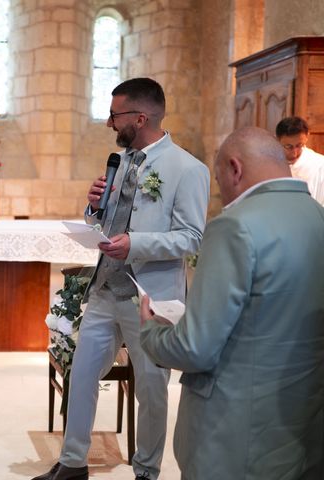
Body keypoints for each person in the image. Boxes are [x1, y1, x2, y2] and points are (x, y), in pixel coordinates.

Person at [33, 78, 210, 480]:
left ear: (140, 117)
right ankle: (73, 462)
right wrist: (93, 207)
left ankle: (146, 471)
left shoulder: (187, 169)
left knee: (151, 388)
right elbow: (107, 220)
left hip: (150, 298)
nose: (109, 124)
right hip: (105, 288)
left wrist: (135, 244)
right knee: (81, 376)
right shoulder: (122, 161)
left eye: (115, 115)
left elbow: (191, 238)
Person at [139, 126, 324, 479]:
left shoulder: (235, 227)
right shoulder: (319, 218)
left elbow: (195, 349)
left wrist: (150, 331)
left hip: (235, 435)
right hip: (304, 429)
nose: (220, 189)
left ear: (235, 168)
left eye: (219, 176)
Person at [275, 116, 324, 204]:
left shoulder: (320, 165)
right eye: (288, 147)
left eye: (299, 145)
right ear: (277, 140)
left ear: (307, 136)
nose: (294, 153)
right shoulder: (269, 163)